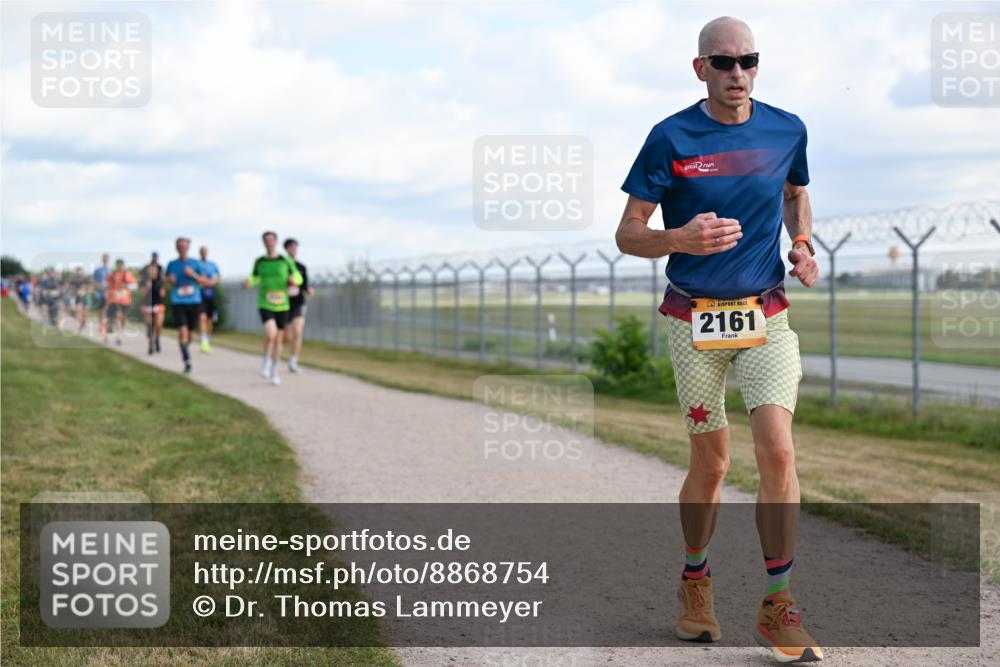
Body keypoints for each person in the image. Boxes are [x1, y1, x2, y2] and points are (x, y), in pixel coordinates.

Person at [616, 17, 822, 663]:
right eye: (724, 62)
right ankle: (695, 581)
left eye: (748, 61)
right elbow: (627, 233)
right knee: (712, 463)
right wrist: (677, 238)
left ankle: (778, 602)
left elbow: (796, 193)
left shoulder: (786, 127)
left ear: (757, 65)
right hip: (692, 319)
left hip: (766, 315)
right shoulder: (670, 136)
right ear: (701, 67)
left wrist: (803, 244)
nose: (738, 73)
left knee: (779, 452)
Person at [243, 231, 302, 386]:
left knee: (279, 339)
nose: (268, 242)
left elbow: (298, 276)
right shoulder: (260, 261)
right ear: (263, 242)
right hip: (265, 302)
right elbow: (254, 276)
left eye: (271, 240)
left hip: (282, 304)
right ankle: (266, 361)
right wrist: (249, 282)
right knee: (271, 334)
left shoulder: (285, 260)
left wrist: (293, 280)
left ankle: (274, 371)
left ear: (276, 242)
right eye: (265, 240)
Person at [165, 238, 204, 373]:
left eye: (184, 246)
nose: (182, 248)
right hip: (178, 301)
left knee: (190, 334)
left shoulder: (195, 263)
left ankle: (184, 348)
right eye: (179, 246)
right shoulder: (172, 264)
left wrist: (192, 274)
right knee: (183, 330)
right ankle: (187, 359)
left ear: (188, 247)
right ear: (176, 248)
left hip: (194, 301)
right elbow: (165, 281)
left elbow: (203, 281)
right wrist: (169, 280)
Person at [282, 238, 314, 373]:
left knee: (298, 332)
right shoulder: (281, 265)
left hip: (299, 303)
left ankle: (293, 361)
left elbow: (305, 285)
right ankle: (276, 354)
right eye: (290, 247)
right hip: (284, 304)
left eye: (295, 247)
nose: (293, 249)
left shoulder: (301, 267)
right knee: (286, 336)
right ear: (286, 249)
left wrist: (309, 290)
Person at [105, 259, 137, 346]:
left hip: (125, 300)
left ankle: (119, 333)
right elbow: (107, 285)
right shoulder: (112, 275)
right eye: (118, 265)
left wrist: (126, 285)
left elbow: (134, 286)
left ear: (123, 265)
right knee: (117, 317)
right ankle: (116, 336)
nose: (119, 266)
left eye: (121, 265)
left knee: (123, 318)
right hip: (114, 299)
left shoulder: (128, 274)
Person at [140, 252, 166, 355]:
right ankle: (150, 345)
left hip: (158, 304)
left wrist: (163, 290)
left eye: (154, 270)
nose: (152, 271)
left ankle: (157, 339)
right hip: (147, 305)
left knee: (158, 324)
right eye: (151, 270)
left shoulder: (160, 281)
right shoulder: (144, 282)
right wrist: (147, 287)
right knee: (150, 325)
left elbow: (164, 291)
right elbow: (142, 295)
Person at [197, 245, 221, 353]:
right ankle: (203, 340)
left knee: (210, 319)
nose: (203, 253)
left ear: (207, 252)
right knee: (202, 317)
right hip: (200, 294)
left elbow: (219, 276)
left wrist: (212, 282)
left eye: (205, 251)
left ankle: (207, 339)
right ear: (199, 253)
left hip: (210, 294)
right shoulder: (197, 264)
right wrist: (201, 281)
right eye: (201, 251)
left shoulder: (212, 264)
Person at [93, 254, 111, 343]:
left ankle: (105, 334)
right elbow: (94, 282)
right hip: (100, 295)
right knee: (101, 315)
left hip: (109, 296)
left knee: (106, 314)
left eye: (107, 259)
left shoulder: (111, 271)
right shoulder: (98, 270)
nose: (105, 260)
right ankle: (102, 329)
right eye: (104, 259)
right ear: (102, 260)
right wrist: (100, 287)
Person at [69, 266, 91, 332]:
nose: (78, 273)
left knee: (85, 311)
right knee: (78, 310)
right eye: (77, 272)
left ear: (82, 272)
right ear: (76, 272)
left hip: (85, 296)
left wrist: (86, 290)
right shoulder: (73, 279)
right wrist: (75, 292)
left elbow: (90, 286)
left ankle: (83, 321)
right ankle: (81, 323)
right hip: (78, 297)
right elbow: (71, 288)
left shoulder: (86, 278)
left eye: (80, 271)